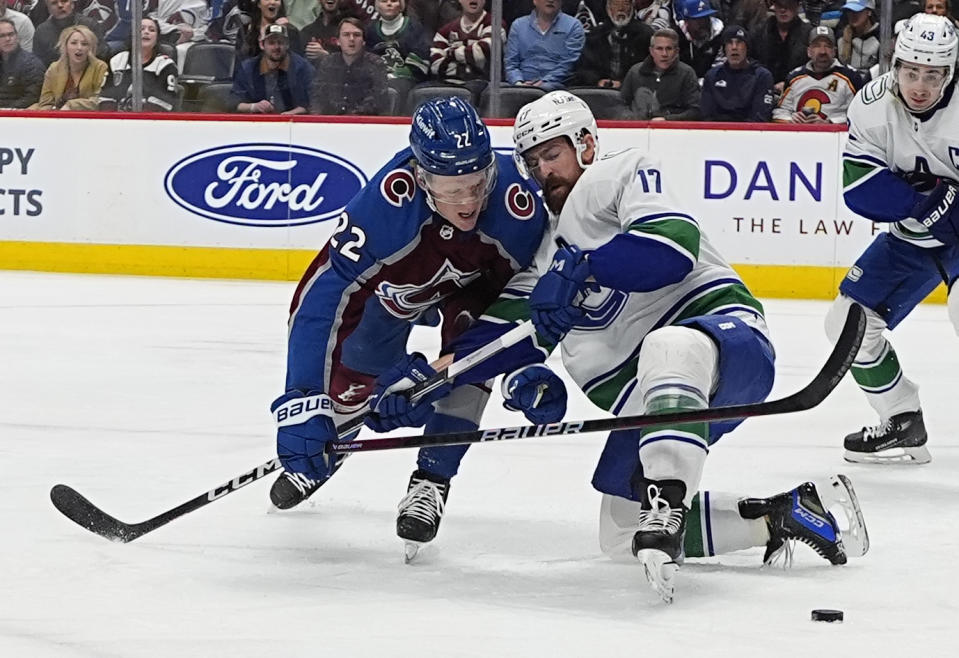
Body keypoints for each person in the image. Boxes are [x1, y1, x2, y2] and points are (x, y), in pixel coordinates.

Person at [372, 91, 867, 602]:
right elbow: (502, 337)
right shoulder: (543, 252)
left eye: (552, 153)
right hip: (651, 405)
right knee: (619, 527)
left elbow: (671, 248)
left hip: (725, 349)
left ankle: (667, 499)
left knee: (668, 345)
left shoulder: (620, 174)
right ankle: (786, 515)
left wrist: (585, 268)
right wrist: (429, 379)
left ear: (586, 144)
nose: (543, 171)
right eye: (532, 161)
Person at [267, 97, 549, 560]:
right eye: (452, 188)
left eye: (477, 184)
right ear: (421, 178)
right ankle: (333, 439)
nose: (469, 201)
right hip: (404, 285)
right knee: (360, 360)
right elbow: (324, 294)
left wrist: (495, 368)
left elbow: (532, 304)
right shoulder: (385, 205)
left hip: (480, 288)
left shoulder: (518, 207)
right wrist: (302, 395)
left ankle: (432, 479)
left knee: (472, 360)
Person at [828, 12, 959, 464]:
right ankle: (902, 420)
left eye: (933, 74)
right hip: (915, 235)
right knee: (847, 324)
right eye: (910, 71)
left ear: (951, 70)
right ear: (896, 64)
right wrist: (929, 204)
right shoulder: (871, 104)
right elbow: (859, 185)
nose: (919, 85)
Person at [773, 26, 863, 123]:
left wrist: (830, 123)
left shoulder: (851, 77)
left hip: (836, 137)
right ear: (809, 51)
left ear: (834, 51)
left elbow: (861, 113)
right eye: (817, 46)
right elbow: (780, 112)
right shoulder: (794, 77)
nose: (822, 51)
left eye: (828, 46)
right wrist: (790, 120)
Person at [309, 16, 388, 114]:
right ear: (337, 41)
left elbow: (377, 100)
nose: (351, 39)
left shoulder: (376, 63)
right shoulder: (327, 63)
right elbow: (317, 96)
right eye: (346, 35)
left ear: (363, 41)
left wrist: (351, 118)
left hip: (364, 123)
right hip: (331, 122)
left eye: (357, 35)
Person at [620, 27, 701, 120]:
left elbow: (695, 111)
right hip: (639, 128)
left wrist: (668, 120)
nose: (664, 54)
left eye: (669, 49)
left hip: (673, 130)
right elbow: (621, 104)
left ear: (676, 51)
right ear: (651, 51)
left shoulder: (687, 74)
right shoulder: (635, 72)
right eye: (659, 48)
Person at [99, 16, 178, 111]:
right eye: (141, 29)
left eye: (152, 30)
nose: (146, 32)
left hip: (150, 122)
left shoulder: (165, 65)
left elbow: (163, 103)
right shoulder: (116, 60)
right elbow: (105, 98)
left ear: (157, 38)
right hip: (117, 120)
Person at [429, 0, 505, 98]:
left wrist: (450, 53)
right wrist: (467, 64)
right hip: (448, 82)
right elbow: (435, 64)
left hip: (483, 84)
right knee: (421, 93)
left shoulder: (495, 24)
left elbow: (482, 53)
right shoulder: (446, 30)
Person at [231, 22, 311, 114]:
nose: (276, 47)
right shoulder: (248, 68)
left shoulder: (302, 67)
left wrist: (289, 115)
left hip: (292, 124)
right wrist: (254, 107)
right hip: (257, 123)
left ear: (287, 45)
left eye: (280, 42)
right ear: (262, 45)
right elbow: (234, 103)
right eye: (271, 43)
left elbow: (310, 104)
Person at [571, 0, 653, 89]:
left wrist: (624, 82)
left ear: (632, 8)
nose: (620, 8)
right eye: (616, 4)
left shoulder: (645, 34)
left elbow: (649, 68)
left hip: (633, 89)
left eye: (625, 4)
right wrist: (597, 81)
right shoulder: (595, 35)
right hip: (599, 90)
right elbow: (583, 69)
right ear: (608, 8)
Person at [505, 0, 585, 91]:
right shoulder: (518, 25)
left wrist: (543, 83)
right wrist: (518, 83)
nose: (551, 0)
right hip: (521, 85)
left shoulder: (573, 26)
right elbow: (511, 63)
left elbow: (569, 63)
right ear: (535, 1)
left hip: (557, 86)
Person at [701, 24, 774, 122]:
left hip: (751, 134)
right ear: (724, 49)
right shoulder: (712, 76)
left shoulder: (762, 76)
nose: (734, 47)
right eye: (730, 43)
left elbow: (760, 117)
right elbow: (707, 115)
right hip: (718, 133)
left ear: (747, 48)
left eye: (739, 42)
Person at [365, 0, 431, 107]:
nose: (389, 4)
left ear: (401, 5)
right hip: (377, 80)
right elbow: (366, 59)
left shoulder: (414, 27)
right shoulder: (370, 30)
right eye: (384, 1)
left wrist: (397, 74)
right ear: (377, 6)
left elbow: (421, 56)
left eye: (394, 1)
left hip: (407, 81)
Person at [29, 23, 107, 109]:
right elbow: (45, 102)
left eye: (84, 44)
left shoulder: (100, 67)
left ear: (91, 48)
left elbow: (100, 100)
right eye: (74, 43)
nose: (79, 48)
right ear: (65, 46)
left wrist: (72, 105)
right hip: (58, 117)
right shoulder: (54, 68)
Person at [751, 0, 813, 88]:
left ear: (797, 6)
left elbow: (812, 67)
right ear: (774, 6)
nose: (783, 10)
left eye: (788, 5)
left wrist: (790, 83)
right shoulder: (759, 31)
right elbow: (752, 62)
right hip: (763, 88)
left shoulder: (808, 33)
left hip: (798, 88)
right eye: (779, 5)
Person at [34, 0, 105, 67]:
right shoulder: (42, 31)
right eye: (54, 3)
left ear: (72, 4)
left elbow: (102, 52)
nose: (60, 5)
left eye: (64, 1)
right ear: (48, 8)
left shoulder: (89, 25)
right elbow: (40, 63)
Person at [675, 0, 724, 81]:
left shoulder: (720, 36)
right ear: (687, 21)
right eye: (698, 19)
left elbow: (719, 68)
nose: (703, 23)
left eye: (705, 18)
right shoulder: (677, 37)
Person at [0, 15, 43, 107]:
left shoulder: (31, 64)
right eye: (2, 36)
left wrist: (7, 111)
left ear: (17, 37)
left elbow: (32, 98)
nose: (7, 39)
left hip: (20, 115)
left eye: (11, 34)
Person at [837, 0, 880, 78]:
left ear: (869, 12)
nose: (852, 15)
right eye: (849, 11)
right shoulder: (841, 37)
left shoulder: (880, 37)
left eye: (857, 11)